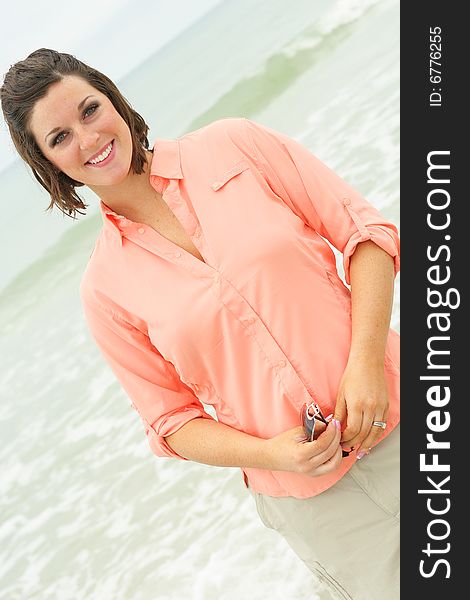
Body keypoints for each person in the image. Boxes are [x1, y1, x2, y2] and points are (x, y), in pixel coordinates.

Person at [1, 48, 400, 599]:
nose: (88, 139)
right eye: (60, 137)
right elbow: (171, 423)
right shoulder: (103, 290)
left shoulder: (235, 146)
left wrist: (364, 366)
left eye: (89, 110)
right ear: (48, 164)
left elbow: (368, 236)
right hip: (321, 507)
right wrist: (272, 454)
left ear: (113, 98)